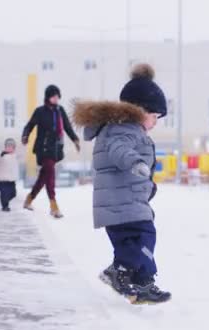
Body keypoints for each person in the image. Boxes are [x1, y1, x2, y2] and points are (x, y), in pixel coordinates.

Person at [73, 63, 171, 304]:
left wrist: (148, 185)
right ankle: (120, 272)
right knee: (141, 239)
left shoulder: (129, 130)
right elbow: (120, 151)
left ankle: (142, 281)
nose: (156, 122)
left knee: (142, 239)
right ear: (139, 111)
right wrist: (135, 162)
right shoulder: (123, 130)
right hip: (120, 205)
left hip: (127, 202)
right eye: (154, 116)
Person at [21, 85, 80, 219]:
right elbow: (30, 125)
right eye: (53, 96)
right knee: (50, 174)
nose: (56, 98)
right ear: (48, 97)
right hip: (43, 148)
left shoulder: (60, 111)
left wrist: (75, 139)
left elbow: (67, 126)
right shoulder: (40, 111)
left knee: (44, 176)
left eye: (57, 96)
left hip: (55, 149)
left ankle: (29, 199)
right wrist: (25, 136)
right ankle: (54, 206)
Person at [0, 138, 19, 212]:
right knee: (4, 193)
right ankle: (5, 206)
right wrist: (1, 154)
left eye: (12, 146)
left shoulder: (14, 156)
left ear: (14, 148)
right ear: (5, 147)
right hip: (1, 179)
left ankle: (5, 201)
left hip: (11, 179)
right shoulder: (1, 154)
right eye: (8, 146)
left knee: (13, 194)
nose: (10, 148)